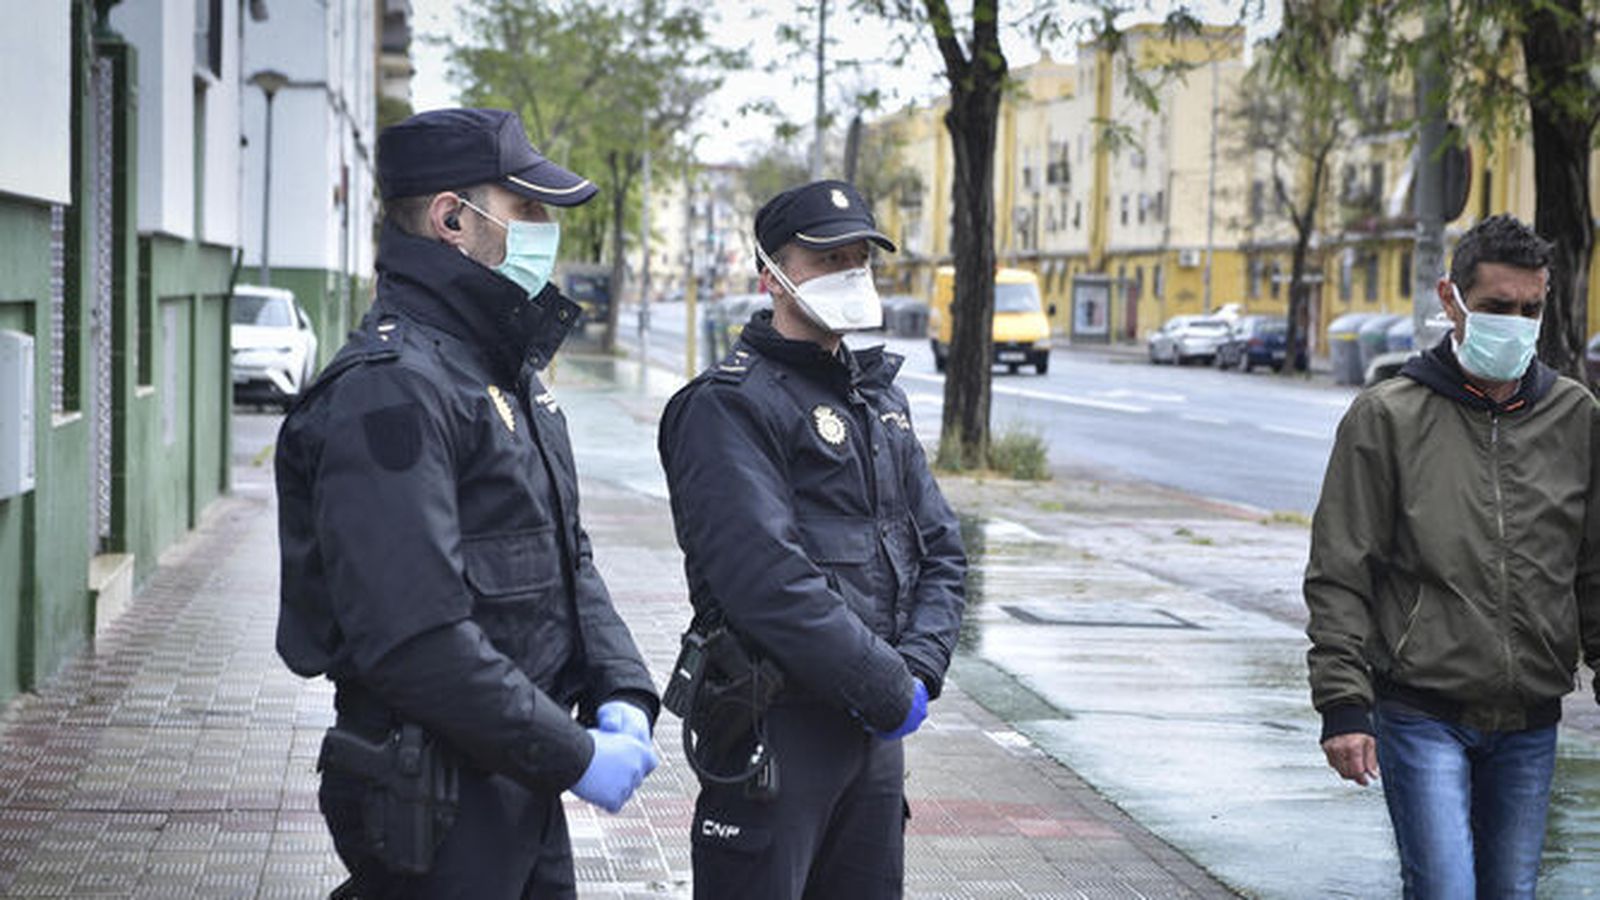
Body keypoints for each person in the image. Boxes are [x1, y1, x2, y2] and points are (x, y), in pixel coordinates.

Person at [274, 108, 660, 898]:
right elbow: (415, 639)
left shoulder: (497, 371)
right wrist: (576, 756)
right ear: (454, 218)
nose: (547, 230)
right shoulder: (392, 391)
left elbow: (564, 556)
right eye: (528, 209)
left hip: (518, 775)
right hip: (435, 795)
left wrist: (621, 688)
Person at [657, 179, 967, 899]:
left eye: (859, 257)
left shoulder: (878, 401)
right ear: (771, 275)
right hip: (778, 728)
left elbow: (941, 549)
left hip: (873, 735)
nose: (849, 274)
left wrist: (917, 668)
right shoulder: (726, 407)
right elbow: (768, 581)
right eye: (826, 259)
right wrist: (888, 685)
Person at [1304, 213, 1600, 898]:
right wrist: (1344, 706)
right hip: (1421, 711)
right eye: (1499, 307)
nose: (1518, 323)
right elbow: (1341, 572)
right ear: (1452, 300)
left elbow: (1593, 566)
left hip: (1530, 719)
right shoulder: (1388, 416)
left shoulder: (1576, 418)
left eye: (1532, 308)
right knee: (1444, 889)